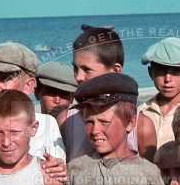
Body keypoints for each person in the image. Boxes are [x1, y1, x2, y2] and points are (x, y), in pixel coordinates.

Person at [56, 26, 143, 162]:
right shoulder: (66, 121)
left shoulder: (141, 126)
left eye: (87, 69)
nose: (78, 77)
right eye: (75, 68)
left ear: (114, 70)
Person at [139, 37, 180, 155]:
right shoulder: (141, 112)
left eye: (176, 71)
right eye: (160, 71)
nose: (167, 79)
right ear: (151, 73)